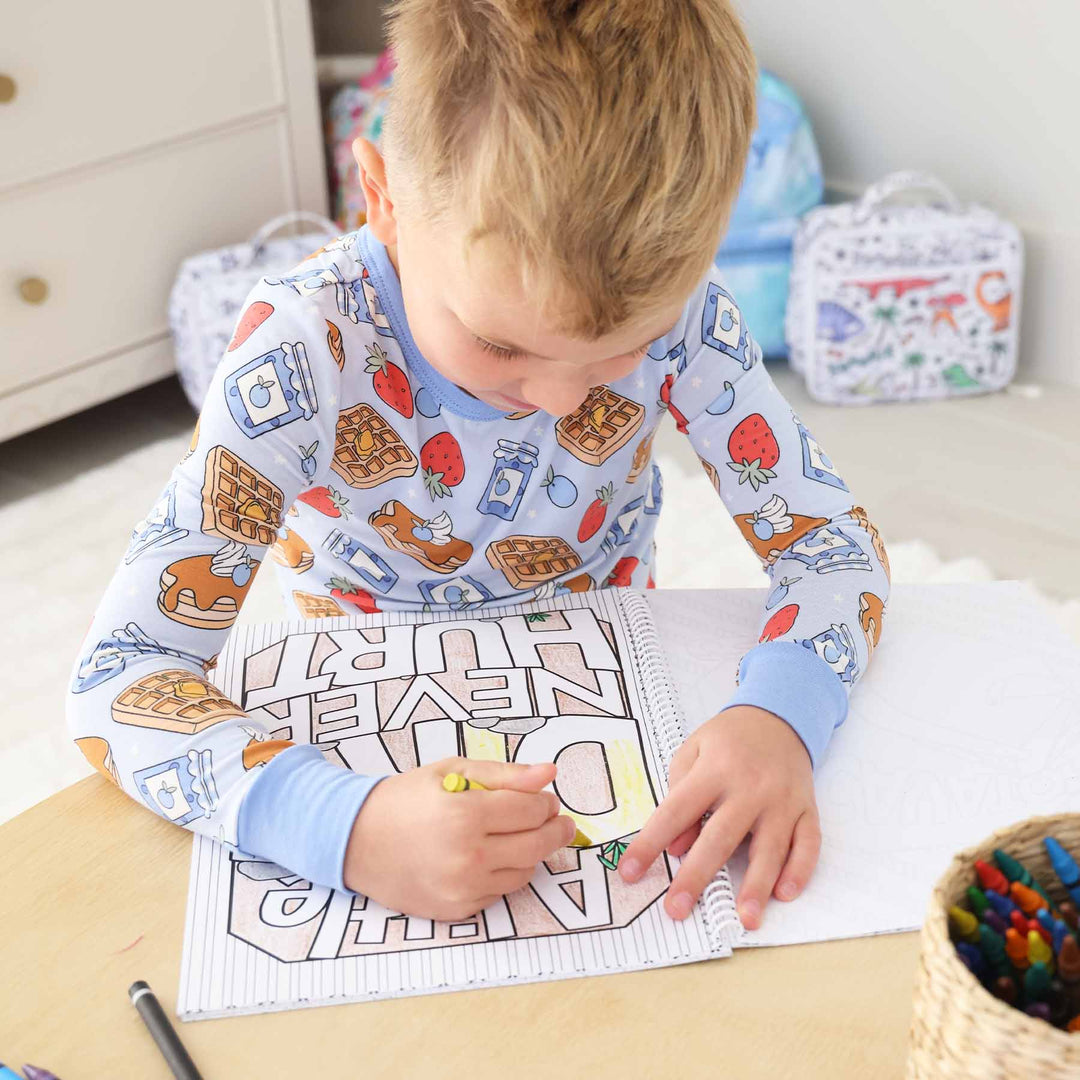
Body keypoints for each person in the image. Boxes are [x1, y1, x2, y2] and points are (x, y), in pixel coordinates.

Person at [67, 0, 889, 931]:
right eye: (500, 346)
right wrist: (342, 825)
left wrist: (781, 716)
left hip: (611, 696)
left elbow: (832, 551)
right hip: (368, 727)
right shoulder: (298, 354)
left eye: (627, 347)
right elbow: (120, 677)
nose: (564, 400)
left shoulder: (689, 313)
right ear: (378, 195)